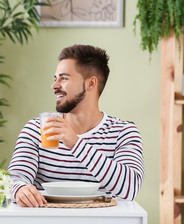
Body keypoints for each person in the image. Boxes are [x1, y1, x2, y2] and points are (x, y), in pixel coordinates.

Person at [8, 44, 144, 207]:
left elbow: (129, 189)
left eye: (64, 78)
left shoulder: (123, 132)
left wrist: (75, 143)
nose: (54, 85)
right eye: (55, 78)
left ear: (91, 84)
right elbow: (14, 180)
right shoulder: (36, 129)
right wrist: (19, 189)